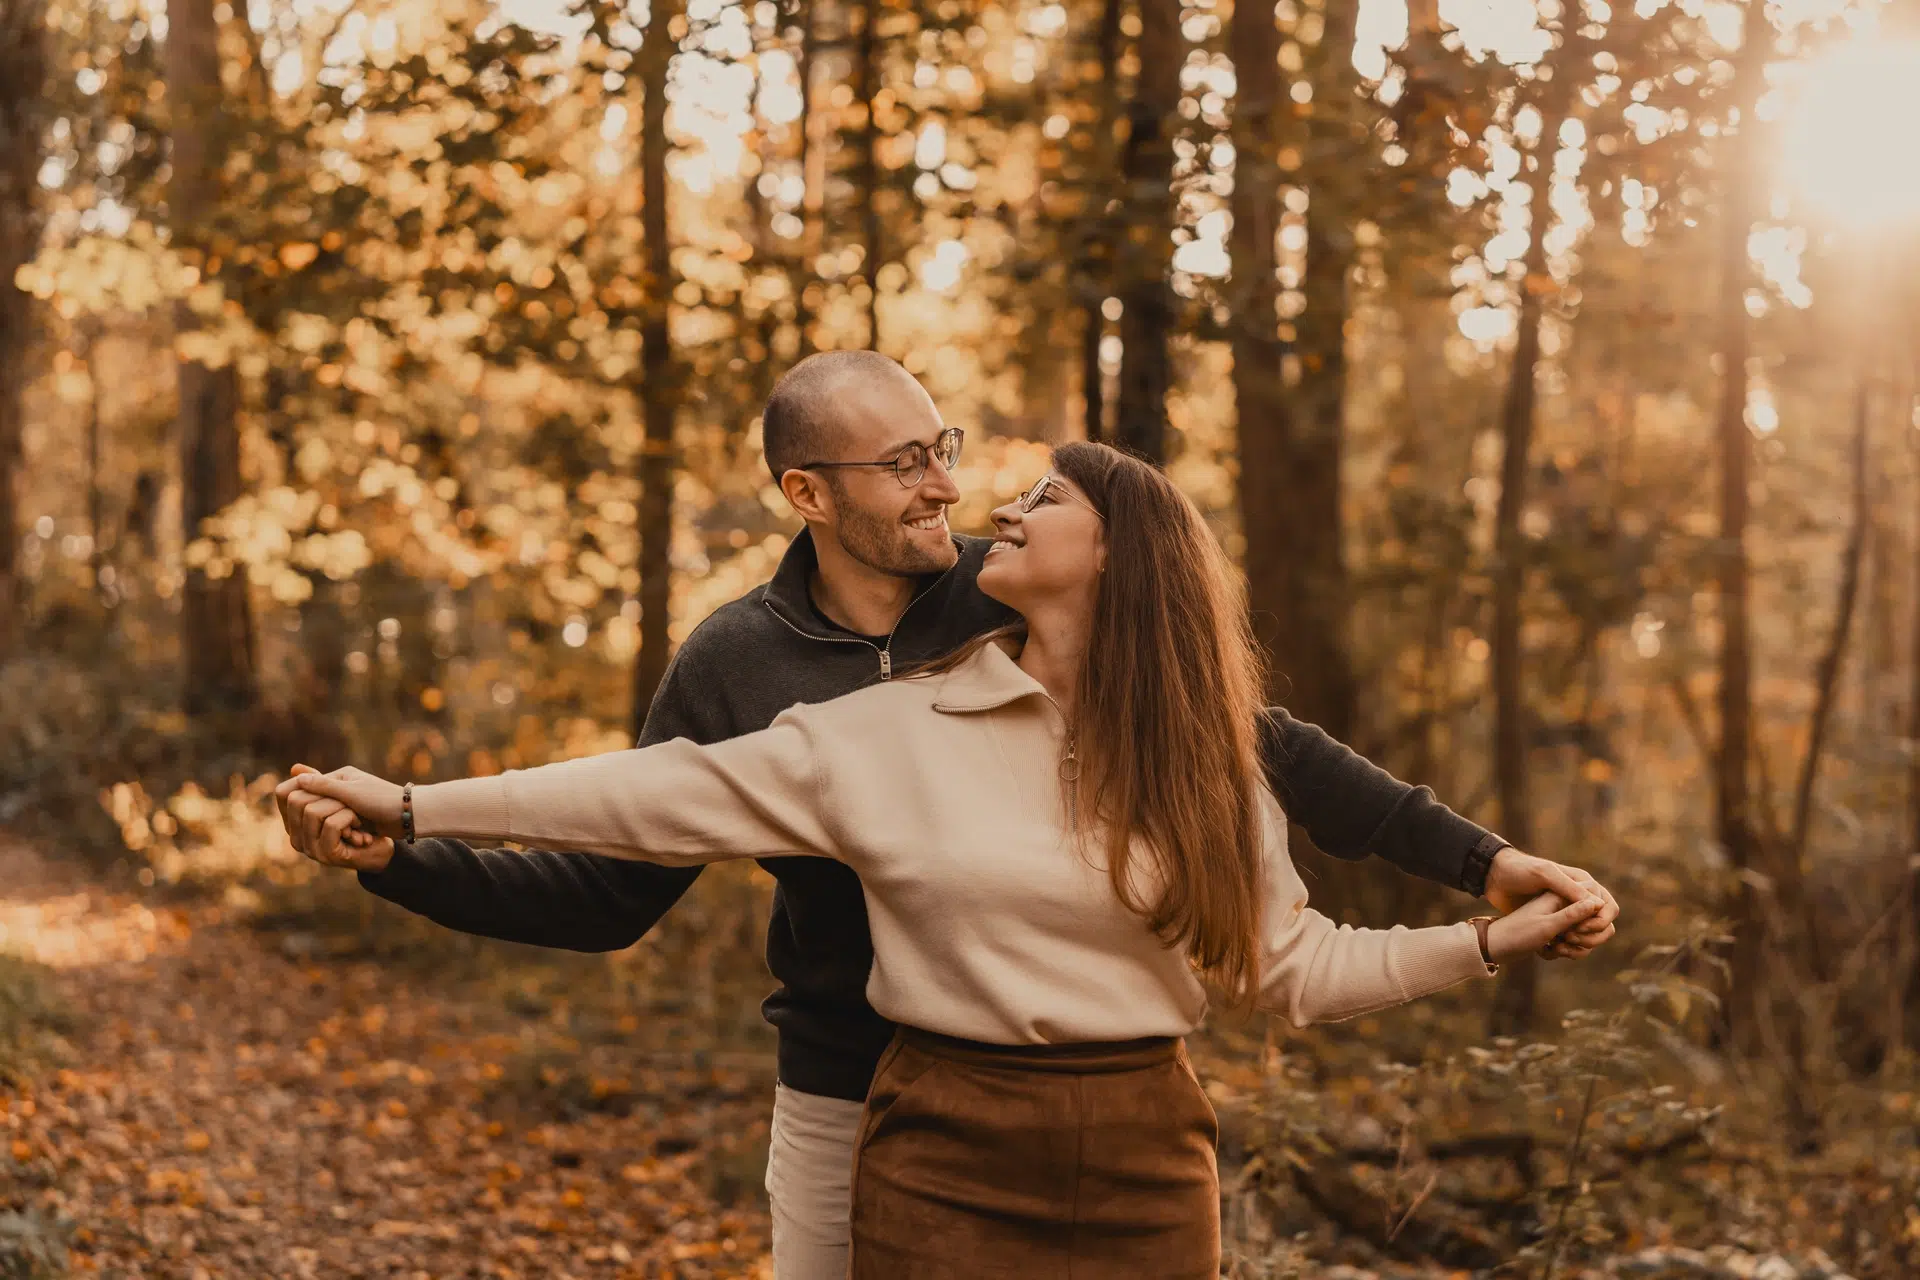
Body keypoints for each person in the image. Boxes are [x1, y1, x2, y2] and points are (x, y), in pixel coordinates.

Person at [278, 352, 1618, 1279]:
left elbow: (1263, 755)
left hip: (1112, 1101)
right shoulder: (747, 668)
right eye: (906, 462)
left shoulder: (1014, 589)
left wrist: (1484, 866)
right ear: (812, 494)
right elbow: (623, 848)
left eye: (946, 451)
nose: (950, 488)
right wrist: (405, 840)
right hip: (856, 1079)